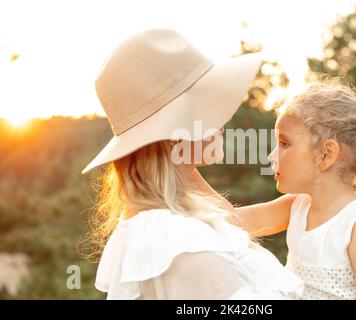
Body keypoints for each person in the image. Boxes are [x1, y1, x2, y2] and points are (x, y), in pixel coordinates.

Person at [81, 28, 304, 300]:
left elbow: (233, 219)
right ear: (175, 133)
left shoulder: (162, 221)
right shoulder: (179, 241)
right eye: (207, 103)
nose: (223, 119)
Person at [233, 79, 356, 299]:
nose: (271, 156)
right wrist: (185, 169)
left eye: (284, 143)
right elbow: (230, 221)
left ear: (326, 154)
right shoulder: (297, 206)